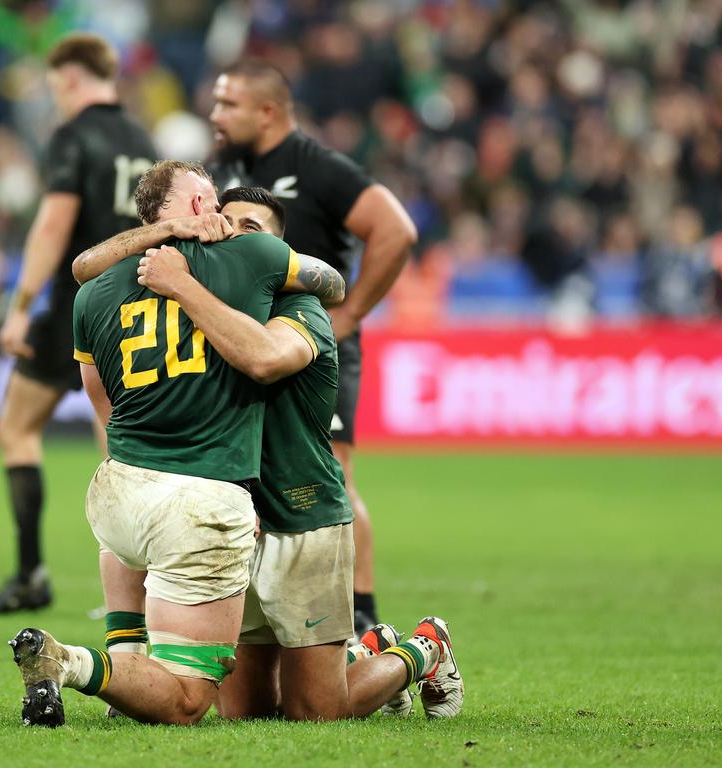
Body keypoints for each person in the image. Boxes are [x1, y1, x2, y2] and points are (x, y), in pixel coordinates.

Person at [88, 184, 462, 721]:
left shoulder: (300, 310)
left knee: (316, 710)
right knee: (249, 711)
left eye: (252, 230)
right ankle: (363, 651)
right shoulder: (193, 310)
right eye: (228, 222)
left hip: (301, 517)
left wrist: (184, 285)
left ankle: (422, 649)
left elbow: (262, 359)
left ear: (277, 250)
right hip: (230, 521)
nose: (234, 236)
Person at [8, 160, 347, 727]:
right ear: (194, 206)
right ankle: (71, 664)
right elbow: (332, 284)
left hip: (121, 488)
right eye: (212, 202)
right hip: (205, 498)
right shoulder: (250, 258)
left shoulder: (92, 294)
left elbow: (101, 401)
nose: (221, 219)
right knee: (192, 697)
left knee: (251, 700)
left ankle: (125, 662)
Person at [208, 59, 419, 633]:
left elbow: (396, 230)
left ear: (268, 111)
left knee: (332, 476)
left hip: (313, 347)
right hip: (247, 343)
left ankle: (365, 619)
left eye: (228, 104)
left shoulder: (317, 166)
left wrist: (347, 317)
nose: (215, 114)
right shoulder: (225, 168)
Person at [0, 34, 157, 613]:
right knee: (119, 440)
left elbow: (54, 225)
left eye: (55, 86)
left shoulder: (73, 137)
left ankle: (31, 575)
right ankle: (147, 584)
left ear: (72, 78)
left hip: (78, 303)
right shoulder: (143, 138)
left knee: (17, 428)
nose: (55, 97)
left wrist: (20, 303)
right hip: (139, 303)